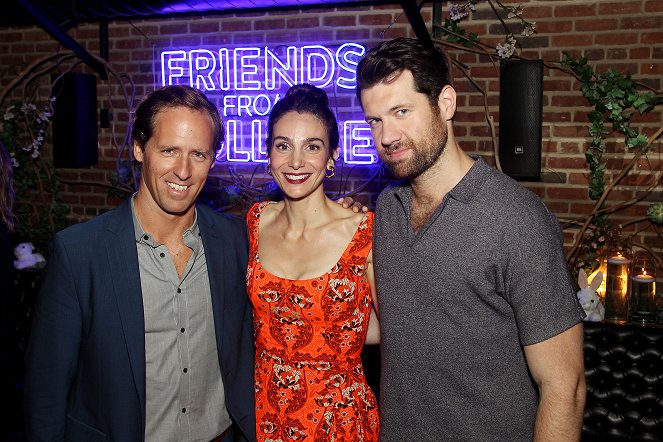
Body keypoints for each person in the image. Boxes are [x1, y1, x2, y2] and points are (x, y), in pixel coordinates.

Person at [354, 38, 586, 441]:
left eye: (401, 111)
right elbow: (389, 323)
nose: (386, 135)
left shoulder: (517, 220)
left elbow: (565, 389)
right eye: (375, 120)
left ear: (445, 104)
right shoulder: (387, 210)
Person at [23, 85, 255, 441]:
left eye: (198, 154)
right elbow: (47, 392)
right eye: (168, 150)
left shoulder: (235, 241)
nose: (183, 170)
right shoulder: (80, 254)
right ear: (138, 149)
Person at [245, 84, 380, 441]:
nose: (295, 162)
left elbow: (390, 333)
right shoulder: (256, 222)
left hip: (338, 420)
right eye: (283, 145)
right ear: (269, 152)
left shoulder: (364, 233)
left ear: (332, 156)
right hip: (266, 416)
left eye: (312, 147)